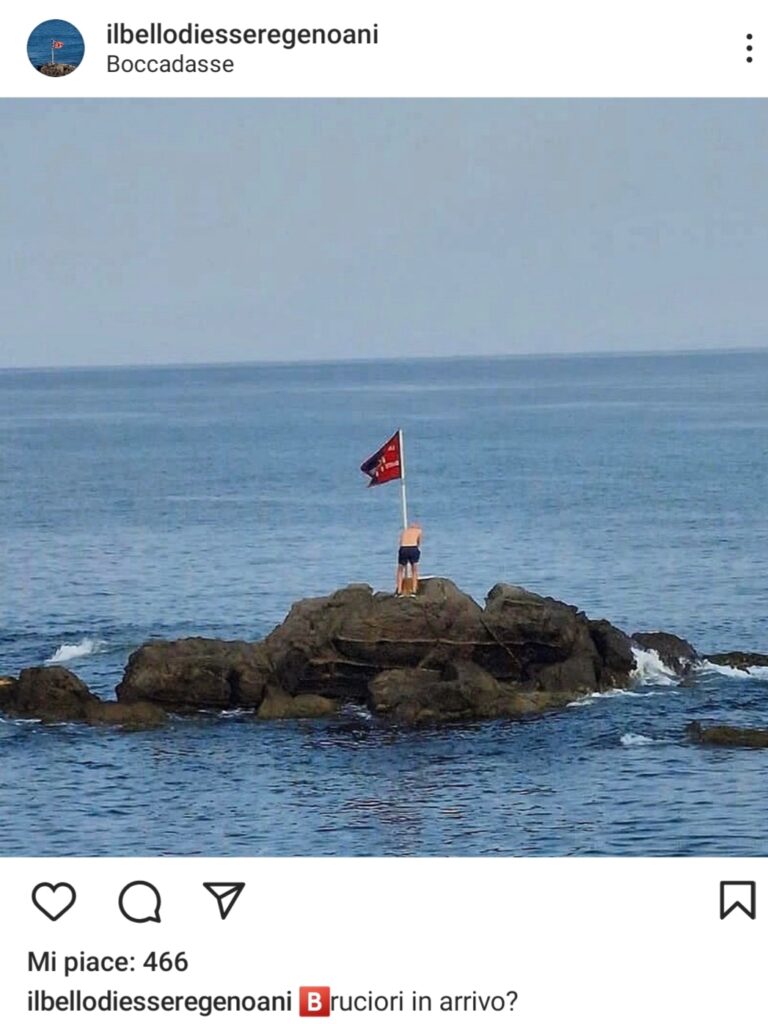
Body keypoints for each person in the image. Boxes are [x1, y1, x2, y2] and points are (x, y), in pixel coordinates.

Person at [396, 522, 422, 595]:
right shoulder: (419, 531)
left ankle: (399, 590)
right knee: (414, 569)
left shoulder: (404, 531)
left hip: (404, 548)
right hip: (413, 547)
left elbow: (400, 542)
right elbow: (419, 543)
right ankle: (414, 590)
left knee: (400, 569)